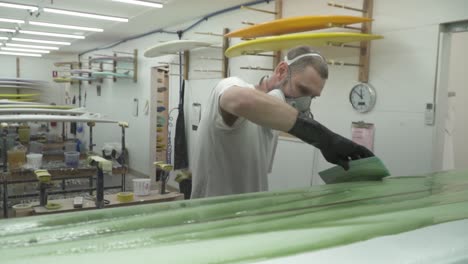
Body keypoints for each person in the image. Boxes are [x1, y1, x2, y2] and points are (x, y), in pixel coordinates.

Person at [191, 46, 374, 198]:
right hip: (211, 222)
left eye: (312, 96)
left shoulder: (272, 123)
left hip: (246, 222)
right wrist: (324, 138)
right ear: (281, 71)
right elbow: (240, 101)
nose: (304, 101)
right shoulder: (233, 85)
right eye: (302, 89)